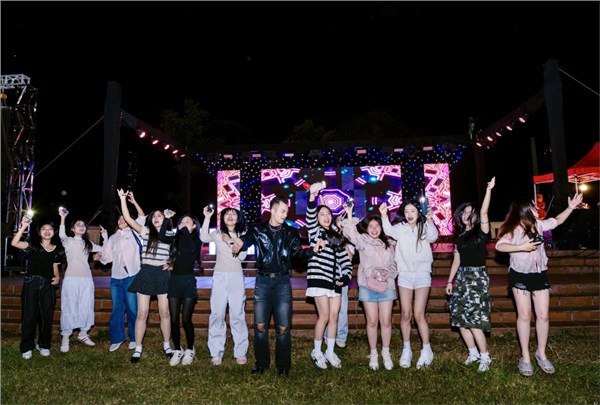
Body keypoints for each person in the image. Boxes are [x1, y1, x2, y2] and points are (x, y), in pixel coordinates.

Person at [496, 192, 583, 377]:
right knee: (524, 315)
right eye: (533, 206)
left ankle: (541, 353)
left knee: (543, 315)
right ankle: (525, 357)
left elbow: (557, 220)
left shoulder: (539, 225)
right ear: (524, 209)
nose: (537, 208)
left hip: (539, 274)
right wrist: (521, 247)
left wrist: (570, 207)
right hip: (519, 275)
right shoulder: (513, 229)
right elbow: (499, 246)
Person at [232, 196, 317, 376]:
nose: (285, 215)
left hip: (282, 282)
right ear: (272, 210)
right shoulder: (258, 229)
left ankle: (283, 366)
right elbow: (247, 238)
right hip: (262, 282)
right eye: (283, 211)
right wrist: (240, 242)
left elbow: (297, 255)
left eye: (287, 212)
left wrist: (311, 251)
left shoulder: (290, 232)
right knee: (260, 325)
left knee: (283, 327)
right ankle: (261, 363)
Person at [380, 199, 439, 369]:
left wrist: (430, 220)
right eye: (406, 211)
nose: (409, 214)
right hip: (404, 274)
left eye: (412, 211)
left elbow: (433, 237)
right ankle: (407, 349)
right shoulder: (400, 228)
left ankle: (426, 350)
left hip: (422, 274)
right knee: (406, 314)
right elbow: (388, 231)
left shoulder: (424, 226)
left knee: (419, 314)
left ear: (418, 212)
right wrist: (384, 215)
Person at [117, 188, 173, 363]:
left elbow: (180, 253)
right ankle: (138, 348)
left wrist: (173, 264)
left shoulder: (170, 234)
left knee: (165, 312)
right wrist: (122, 199)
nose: (156, 218)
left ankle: (167, 345)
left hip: (163, 275)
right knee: (142, 313)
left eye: (159, 216)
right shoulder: (145, 231)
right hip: (146, 273)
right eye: (154, 216)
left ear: (165, 219)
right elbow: (128, 219)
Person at [446, 177, 495, 372]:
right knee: (460, 320)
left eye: (470, 212)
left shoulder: (481, 233)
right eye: (464, 212)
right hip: (462, 278)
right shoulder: (459, 238)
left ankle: (485, 356)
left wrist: (489, 190)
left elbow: (484, 212)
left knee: (474, 321)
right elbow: (457, 261)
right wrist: (450, 281)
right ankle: (473, 353)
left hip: (477, 278)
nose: (467, 215)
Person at [342, 204, 397, 370]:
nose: (374, 229)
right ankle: (373, 353)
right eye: (371, 226)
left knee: (386, 321)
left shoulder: (389, 243)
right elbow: (351, 234)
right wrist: (349, 214)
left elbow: (394, 264)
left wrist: (388, 273)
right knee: (372, 321)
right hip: (368, 285)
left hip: (387, 285)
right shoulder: (363, 241)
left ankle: (385, 352)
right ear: (366, 228)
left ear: (381, 227)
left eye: (377, 225)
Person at [305, 184, 353, 369]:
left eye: (328, 214)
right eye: (321, 214)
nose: (325, 217)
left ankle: (330, 352)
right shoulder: (315, 232)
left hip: (335, 283)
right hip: (320, 280)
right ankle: (316, 352)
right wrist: (312, 197)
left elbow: (345, 260)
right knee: (324, 316)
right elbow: (310, 216)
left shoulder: (336, 237)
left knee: (334, 318)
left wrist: (346, 276)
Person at [11, 216, 65, 359]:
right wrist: (23, 226)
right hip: (32, 282)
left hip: (48, 284)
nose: (47, 231)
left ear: (54, 232)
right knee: (29, 315)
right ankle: (27, 347)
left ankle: (44, 345)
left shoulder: (57, 249)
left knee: (46, 315)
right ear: (39, 232)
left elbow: (55, 266)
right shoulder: (32, 245)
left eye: (50, 229)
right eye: (44, 229)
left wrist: (57, 277)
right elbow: (14, 243)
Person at [201, 206, 250, 366]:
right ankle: (216, 352)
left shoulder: (243, 235)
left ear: (238, 218)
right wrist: (207, 218)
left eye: (233, 214)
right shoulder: (217, 233)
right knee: (217, 314)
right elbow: (203, 237)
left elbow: (241, 257)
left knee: (237, 315)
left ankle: (240, 352)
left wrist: (230, 241)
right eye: (227, 213)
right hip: (220, 277)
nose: (230, 216)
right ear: (222, 218)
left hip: (236, 278)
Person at [99, 191, 146, 352]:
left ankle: (134, 337)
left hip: (132, 275)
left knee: (133, 308)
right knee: (117, 308)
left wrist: (133, 201)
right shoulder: (113, 237)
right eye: (119, 219)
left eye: (124, 219)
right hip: (116, 277)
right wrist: (100, 256)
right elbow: (108, 257)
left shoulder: (135, 233)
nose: (121, 221)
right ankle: (117, 338)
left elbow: (142, 217)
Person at [58, 208, 104, 353]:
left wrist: (105, 237)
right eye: (78, 225)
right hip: (71, 279)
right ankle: (65, 338)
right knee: (70, 306)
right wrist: (63, 218)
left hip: (86, 279)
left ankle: (83, 334)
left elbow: (104, 249)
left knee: (86, 305)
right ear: (72, 229)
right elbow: (61, 235)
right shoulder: (68, 241)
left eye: (83, 225)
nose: (82, 227)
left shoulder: (88, 243)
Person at [160, 211, 202, 366]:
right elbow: (162, 236)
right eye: (181, 222)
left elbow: (190, 250)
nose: (184, 224)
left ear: (194, 226)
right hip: (174, 281)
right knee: (174, 319)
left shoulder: (196, 241)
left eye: (187, 222)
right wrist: (166, 219)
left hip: (188, 281)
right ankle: (177, 349)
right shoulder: (174, 239)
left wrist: (184, 231)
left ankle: (190, 349)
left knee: (185, 319)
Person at [325, 213, 356, 349]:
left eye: (344, 221)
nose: (341, 222)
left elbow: (349, 258)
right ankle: (327, 335)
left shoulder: (350, 240)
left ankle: (341, 336)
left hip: (342, 277)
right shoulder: (328, 236)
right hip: (327, 276)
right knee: (327, 308)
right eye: (338, 220)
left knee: (342, 308)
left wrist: (343, 239)